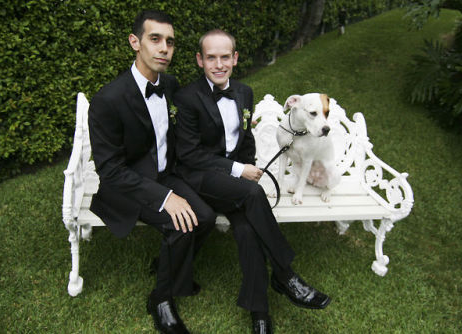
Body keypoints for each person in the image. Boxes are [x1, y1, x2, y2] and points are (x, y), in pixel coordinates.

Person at [173, 29, 331, 334]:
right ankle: (286, 275)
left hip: (235, 185)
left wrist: (247, 163)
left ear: (235, 58)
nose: (218, 64)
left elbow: (244, 139)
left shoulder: (244, 92)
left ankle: (260, 314)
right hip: (200, 178)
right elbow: (189, 154)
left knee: (247, 228)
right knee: (254, 196)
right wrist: (238, 170)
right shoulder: (186, 98)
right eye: (210, 58)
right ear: (199, 60)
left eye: (224, 57)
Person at [88, 10, 216, 334]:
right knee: (182, 225)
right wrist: (164, 199)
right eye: (155, 39)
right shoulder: (108, 99)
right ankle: (161, 300)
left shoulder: (170, 85)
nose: (164, 49)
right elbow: (110, 171)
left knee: (206, 217)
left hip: (165, 174)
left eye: (170, 42)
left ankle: (169, 267)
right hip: (128, 185)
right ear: (135, 42)